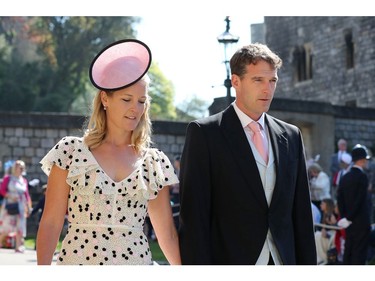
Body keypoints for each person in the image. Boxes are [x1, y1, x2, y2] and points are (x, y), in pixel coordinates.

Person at [36, 39, 181, 265]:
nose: (136, 108)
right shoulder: (70, 152)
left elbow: (167, 235)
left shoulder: (153, 163)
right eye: (126, 99)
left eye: (142, 101)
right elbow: (51, 223)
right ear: (105, 98)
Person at [178, 43, 317, 265]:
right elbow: (195, 219)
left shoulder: (291, 136)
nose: (267, 89)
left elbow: (301, 215)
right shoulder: (205, 134)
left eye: (272, 81)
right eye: (258, 80)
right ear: (236, 81)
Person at [337, 144, 372, 265]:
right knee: (359, 253)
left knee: (349, 250)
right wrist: (350, 217)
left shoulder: (345, 177)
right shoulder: (362, 177)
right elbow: (360, 200)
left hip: (348, 222)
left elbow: (339, 199)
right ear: (362, 160)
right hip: (360, 222)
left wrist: (345, 217)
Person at [0, 160, 32, 253]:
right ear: (15, 167)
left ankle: (18, 247)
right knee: (6, 228)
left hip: (21, 206)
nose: (21, 168)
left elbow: (27, 195)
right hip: (10, 204)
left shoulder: (24, 180)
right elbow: (2, 190)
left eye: (22, 167)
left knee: (20, 227)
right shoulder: (8, 178)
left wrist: (28, 207)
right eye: (19, 166)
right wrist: (10, 196)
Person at [314, 198, 337, 265]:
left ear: (327, 205)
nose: (320, 205)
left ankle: (322, 258)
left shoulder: (331, 216)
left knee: (317, 235)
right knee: (317, 235)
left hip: (330, 237)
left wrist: (327, 235)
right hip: (324, 236)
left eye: (322, 204)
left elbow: (335, 229)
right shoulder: (323, 215)